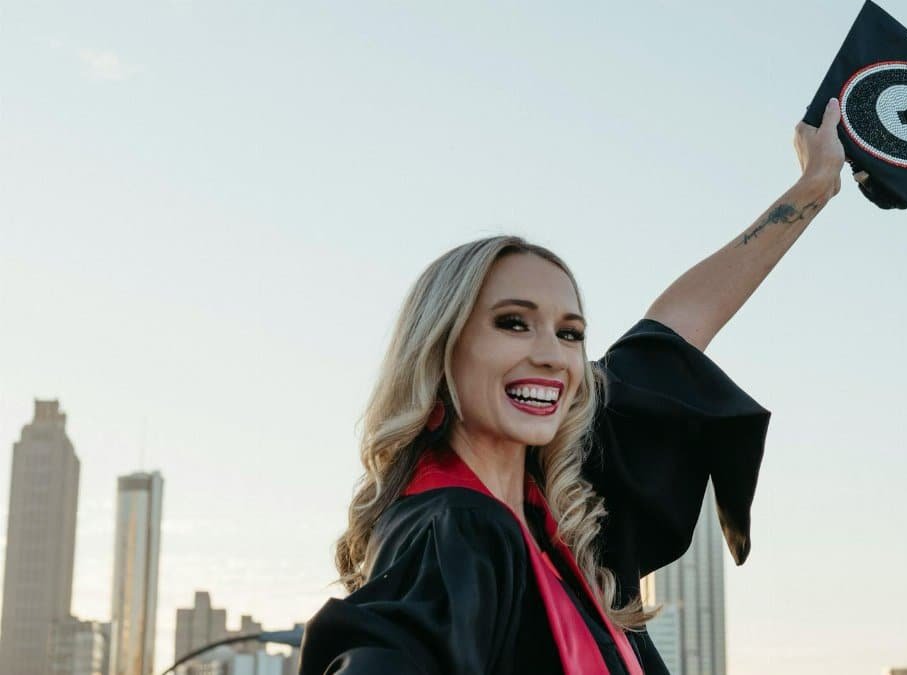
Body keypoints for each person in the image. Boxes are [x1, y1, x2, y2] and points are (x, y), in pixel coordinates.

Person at [298, 98, 847, 674]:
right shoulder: (453, 530)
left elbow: (672, 332)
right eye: (512, 322)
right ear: (440, 351)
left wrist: (815, 185)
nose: (550, 356)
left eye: (570, 333)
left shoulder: (567, 517)